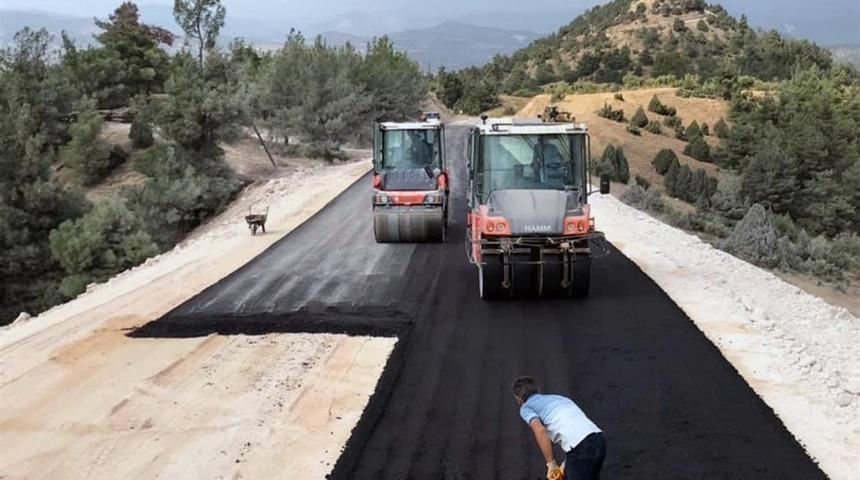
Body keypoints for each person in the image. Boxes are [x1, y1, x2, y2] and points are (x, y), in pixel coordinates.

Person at [512, 376, 606, 480]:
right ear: (538, 390)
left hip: (580, 447)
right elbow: (578, 428)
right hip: (599, 439)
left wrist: (551, 465)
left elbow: (540, 430)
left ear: (518, 399)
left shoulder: (526, 407)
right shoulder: (560, 398)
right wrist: (566, 464)